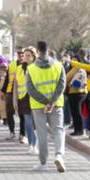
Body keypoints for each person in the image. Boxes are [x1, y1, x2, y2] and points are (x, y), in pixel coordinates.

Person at [25, 43, 67, 172]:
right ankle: (59, 155)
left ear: (37, 51)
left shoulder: (31, 69)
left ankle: (43, 164)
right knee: (58, 130)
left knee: (42, 134)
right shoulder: (58, 66)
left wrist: (44, 101)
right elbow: (62, 85)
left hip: (38, 106)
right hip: (56, 104)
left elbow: (30, 90)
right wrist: (52, 102)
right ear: (48, 50)